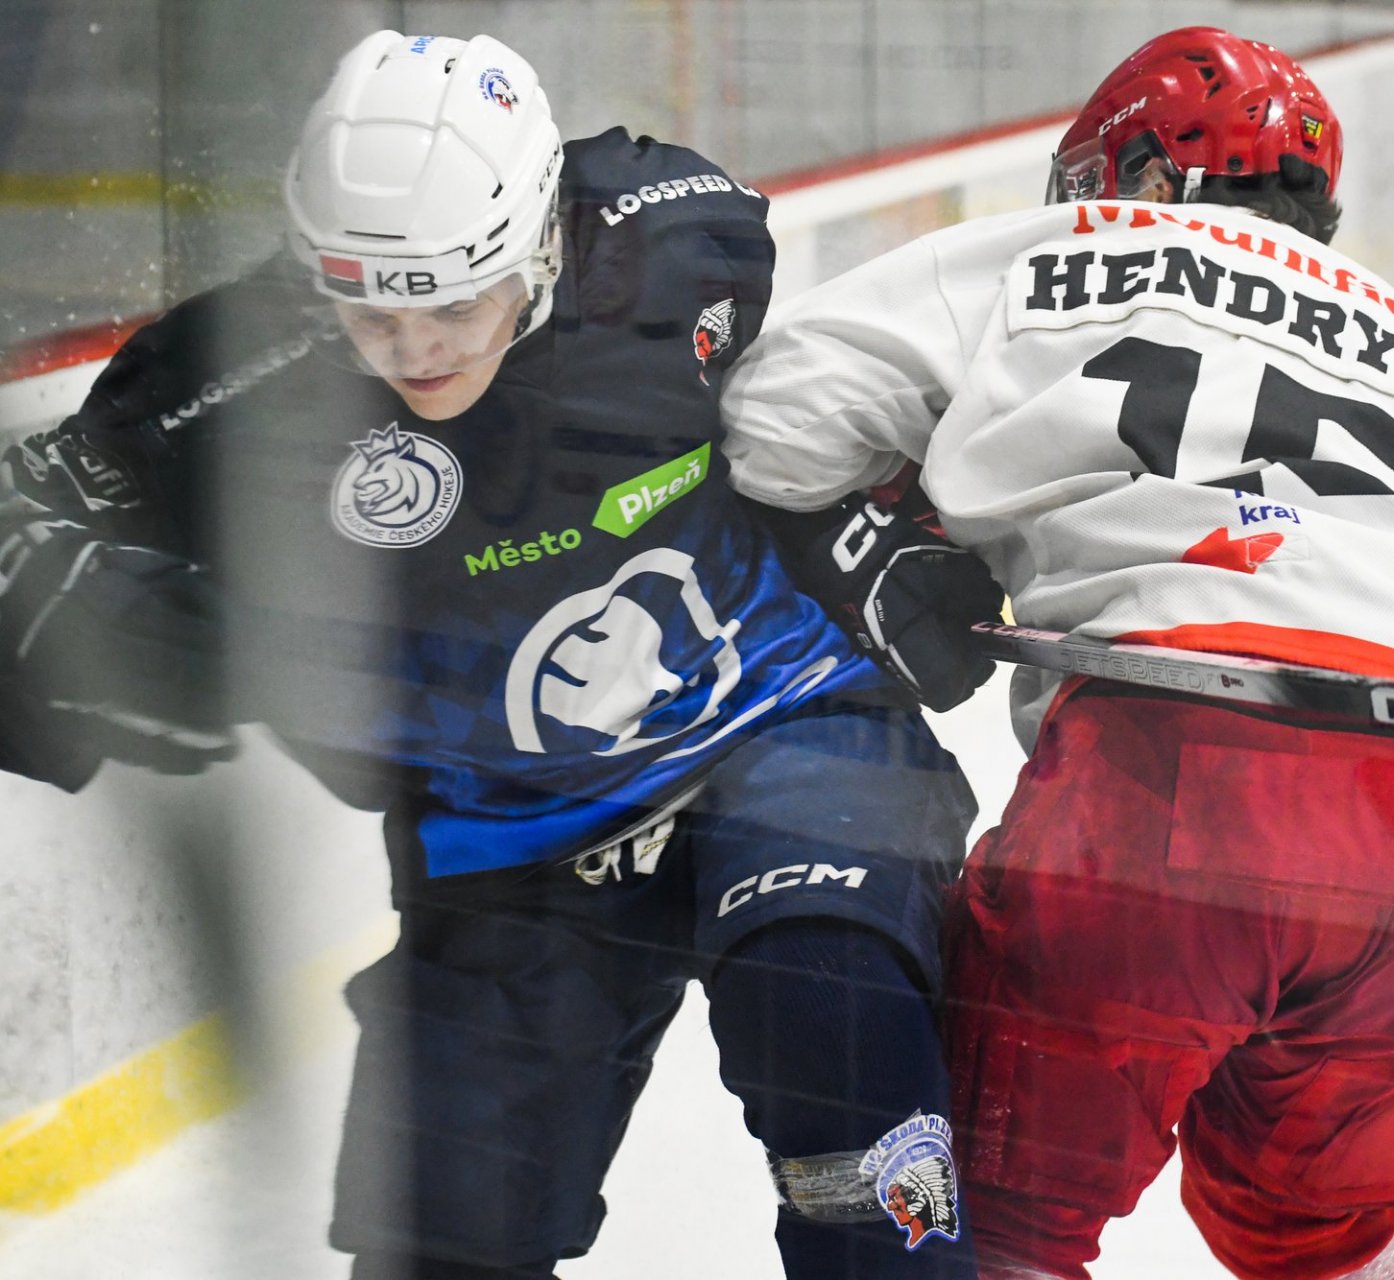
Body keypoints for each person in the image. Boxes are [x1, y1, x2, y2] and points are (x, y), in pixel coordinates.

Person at [717, 26, 1394, 1280]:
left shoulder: (1064, 251)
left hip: (1170, 787)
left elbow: (778, 416)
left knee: (996, 1229)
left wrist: (880, 526)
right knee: (1319, 1235)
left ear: (1141, 175)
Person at [0, 30, 984, 1280]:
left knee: (835, 1020)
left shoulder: (672, 242)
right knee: (442, 1240)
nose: (417, 349)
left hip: (780, 720)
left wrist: (886, 517)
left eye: (456, 303)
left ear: (541, 246)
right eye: (372, 310)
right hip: (505, 832)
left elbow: (836, 384)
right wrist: (75, 605)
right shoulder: (234, 382)